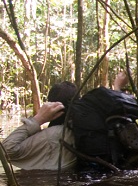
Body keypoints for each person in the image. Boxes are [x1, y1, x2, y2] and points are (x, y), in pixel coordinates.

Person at [2, 72, 130, 170]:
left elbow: (6, 151)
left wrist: (38, 119)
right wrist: (117, 88)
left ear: (52, 106)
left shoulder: (53, 136)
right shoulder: (99, 127)